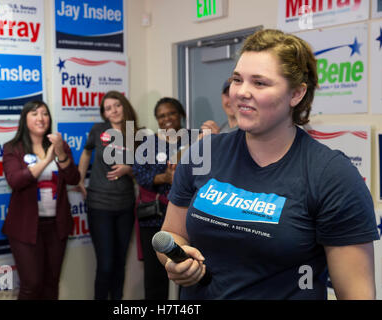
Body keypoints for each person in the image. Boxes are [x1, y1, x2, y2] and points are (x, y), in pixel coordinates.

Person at [157, 29, 380, 299]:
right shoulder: (202, 154)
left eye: (260, 83)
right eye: (237, 80)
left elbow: (357, 293)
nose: (241, 93)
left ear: (296, 94)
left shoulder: (331, 175)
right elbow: (171, 233)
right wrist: (175, 260)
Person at [2, 100, 80, 300]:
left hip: (56, 225)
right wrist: (45, 160)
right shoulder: (13, 148)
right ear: (24, 119)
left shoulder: (60, 146)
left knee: (51, 282)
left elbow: (74, 178)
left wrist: (60, 154)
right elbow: (15, 181)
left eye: (45, 114)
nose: (41, 118)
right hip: (25, 226)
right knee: (31, 284)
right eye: (35, 114)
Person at [78, 90, 139, 300]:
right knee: (105, 265)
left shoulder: (136, 133)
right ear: (104, 114)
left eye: (117, 105)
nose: (113, 111)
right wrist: (79, 179)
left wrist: (128, 169)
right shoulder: (98, 130)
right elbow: (86, 152)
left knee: (120, 263)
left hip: (125, 205)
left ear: (124, 105)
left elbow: (143, 167)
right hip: (100, 205)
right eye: (108, 108)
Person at [133, 97, 188, 299]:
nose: (167, 119)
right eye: (161, 116)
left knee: (187, 271)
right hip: (154, 217)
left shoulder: (194, 141)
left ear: (181, 115)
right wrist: (164, 177)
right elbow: (139, 173)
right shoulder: (149, 144)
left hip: (185, 218)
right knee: (155, 276)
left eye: (171, 113)